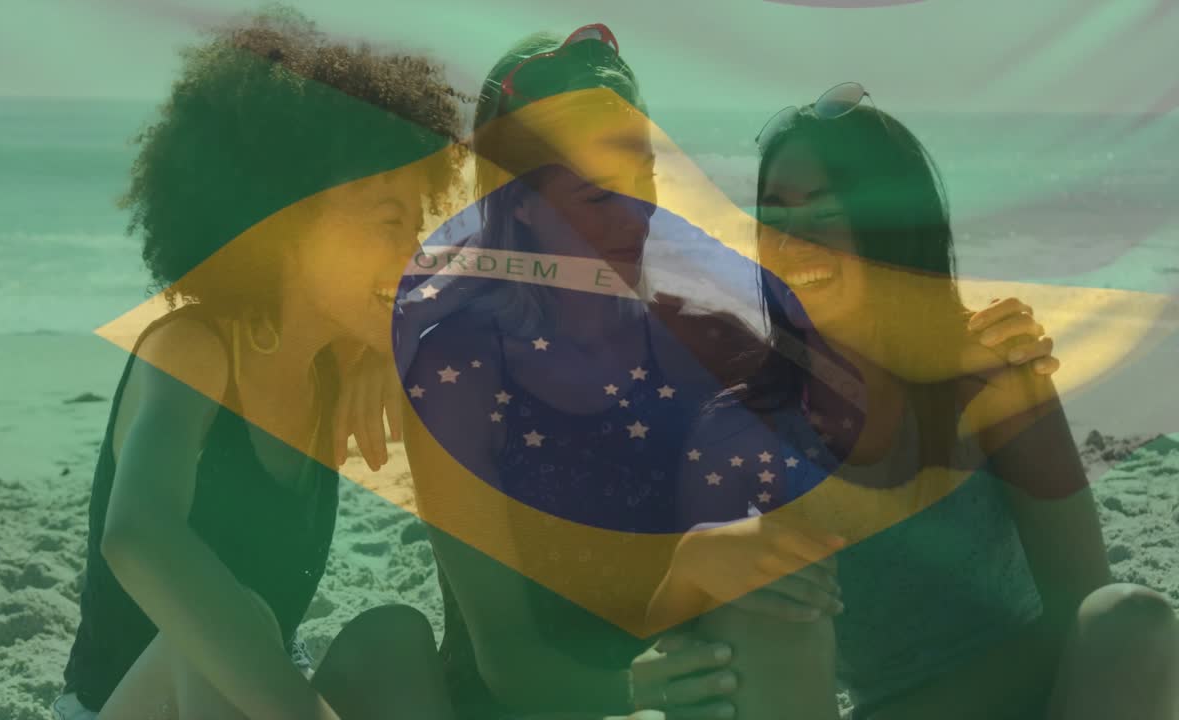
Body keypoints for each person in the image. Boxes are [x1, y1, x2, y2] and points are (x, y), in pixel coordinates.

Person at [398, 31, 1064, 718]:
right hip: (541, 704)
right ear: (523, 202)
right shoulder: (461, 372)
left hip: (682, 676)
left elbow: (844, 342)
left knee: (771, 591)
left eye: (647, 176)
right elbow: (512, 667)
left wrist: (970, 344)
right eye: (600, 197)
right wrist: (673, 601)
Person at [655, 85, 1179, 719]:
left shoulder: (991, 377)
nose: (793, 240)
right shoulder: (744, 424)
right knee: (756, 598)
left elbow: (1083, 606)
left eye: (824, 212)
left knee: (1133, 620)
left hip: (1040, 698)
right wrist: (689, 562)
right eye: (775, 215)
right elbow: (688, 641)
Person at [52, 9, 466, 720]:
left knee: (393, 636)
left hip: (257, 694)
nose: (413, 253)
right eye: (386, 221)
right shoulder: (193, 348)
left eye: (416, 221)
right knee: (216, 628)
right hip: (133, 703)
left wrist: (377, 349)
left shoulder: (337, 363)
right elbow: (136, 533)